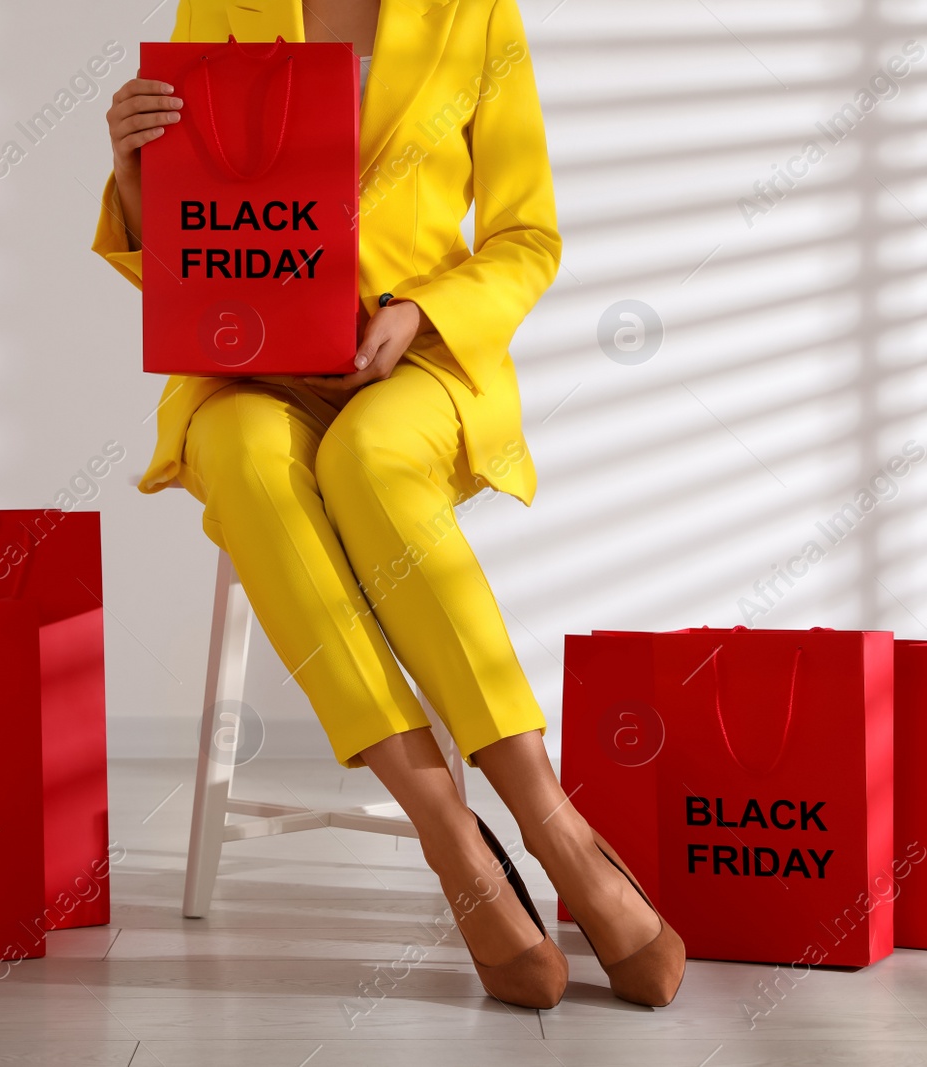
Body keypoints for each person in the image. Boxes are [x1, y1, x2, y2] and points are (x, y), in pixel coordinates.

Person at [94, 0, 683, 1008]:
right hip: (249, 360)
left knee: (367, 458)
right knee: (237, 449)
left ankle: (551, 824)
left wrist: (421, 312)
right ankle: (447, 830)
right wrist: (131, 166)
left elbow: (525, 235)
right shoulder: (222, 6)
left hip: (414, 360)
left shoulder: (474, 13)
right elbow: (189, 238)